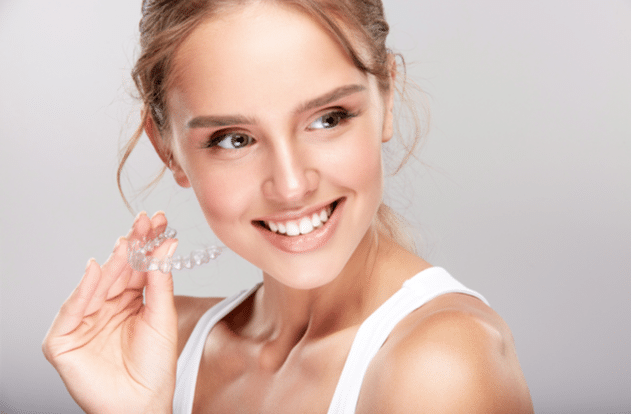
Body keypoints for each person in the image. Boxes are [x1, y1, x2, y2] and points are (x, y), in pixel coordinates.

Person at [42, 0, 534, 412]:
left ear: (387, 94)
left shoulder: (441, 365)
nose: (292, 185)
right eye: (234, 139)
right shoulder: (162, 350)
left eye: (328, 118)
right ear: (167, 149)